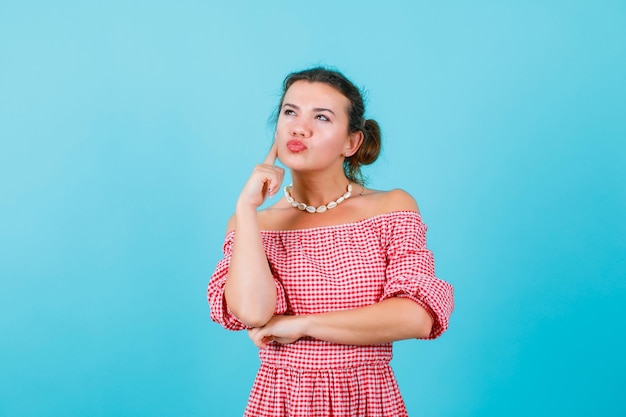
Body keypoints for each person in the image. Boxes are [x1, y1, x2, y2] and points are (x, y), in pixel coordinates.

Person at [207, 67, 454, 417]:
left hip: (367, 399)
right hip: (281, 401)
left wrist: (304, 325)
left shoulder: (390, 207)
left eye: (321, 117)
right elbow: (252, 312)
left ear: (351, 142)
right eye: (290, 112)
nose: (299, 127)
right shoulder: (252, 224)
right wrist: (246, 208)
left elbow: (417, 317)